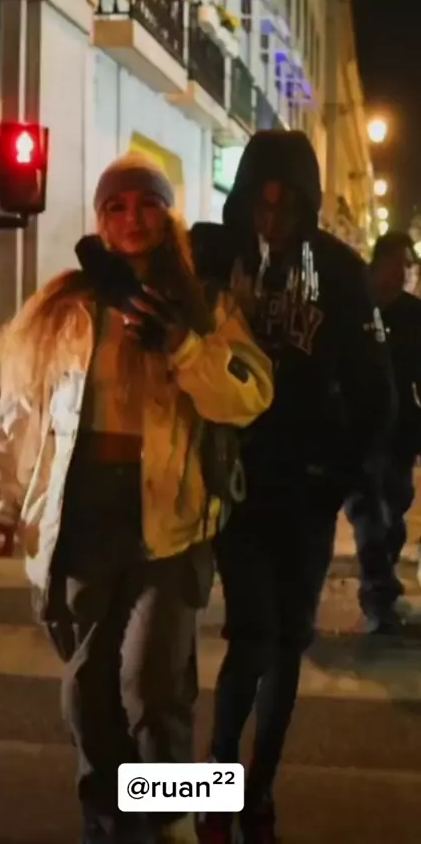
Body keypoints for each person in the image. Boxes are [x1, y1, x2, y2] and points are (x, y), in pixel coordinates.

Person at [0, 154, 274, 844]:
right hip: (80, 521)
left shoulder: (204, 303)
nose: (132, 218)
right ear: (101, 221)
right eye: (116, 206)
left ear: (167, 216)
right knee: (88, 694)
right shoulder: (67, 304)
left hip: (169, 523)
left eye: (146, 204)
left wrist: (183, 345)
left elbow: (250, 396)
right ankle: (109, 824)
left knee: (153, 685)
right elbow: (20, 412)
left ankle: (172, 818)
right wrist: (1, 502)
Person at [190, 130, 395, 844]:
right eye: (261, 203)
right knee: (252, 639)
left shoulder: (340, 272)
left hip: (307, 491)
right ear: (245, 198)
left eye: (287, 207)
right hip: (240, 484)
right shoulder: (218, 254)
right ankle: (215, 789)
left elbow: (376, 391)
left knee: (286, 647)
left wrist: (347, 475)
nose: (272, 220)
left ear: (308, 205)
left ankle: (258, 794)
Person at [345, 231, 421, 632]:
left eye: (411, 265)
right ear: (382, 262)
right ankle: (378, 596)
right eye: (401, 263)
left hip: (401, 434)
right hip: (360, 432)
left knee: (395, 511)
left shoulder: (413, 314)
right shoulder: (357, 304)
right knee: (371, 516)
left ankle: (381, 586)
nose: (407, 272)